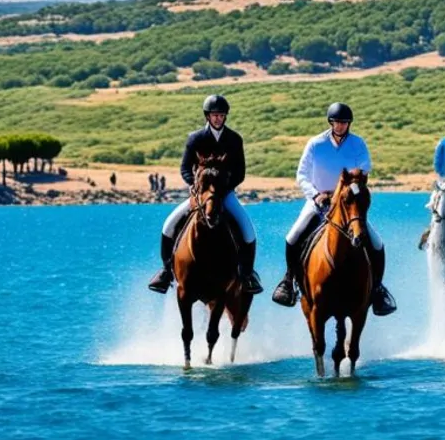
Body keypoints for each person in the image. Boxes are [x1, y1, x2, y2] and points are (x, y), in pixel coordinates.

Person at [270, 102, 397, 316]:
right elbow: (301, 174)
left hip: (347, 203)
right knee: (292, 237)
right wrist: (316, 194)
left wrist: (347, 186)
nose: (340, 126)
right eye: (337, 122)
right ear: (331, 122)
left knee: (376, 243)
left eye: (344, 123)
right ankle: (288, 281)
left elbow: (365, 167)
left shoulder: (358, 144)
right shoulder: (315, 144)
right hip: (318, 201)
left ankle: (377, 289)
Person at [148, 95, 263, 295]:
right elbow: (185, 168)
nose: (218, 118)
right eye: (214, 115)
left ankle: (246, 274)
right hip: (199, 194)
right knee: (169, 224)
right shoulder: (196, 138)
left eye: (221, 115)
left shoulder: (234, 139)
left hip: (225, 194)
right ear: (207, 116)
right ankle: (166, 271)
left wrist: (224, 190)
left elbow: (240, 172)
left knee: (248, 230)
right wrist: (195, 186)